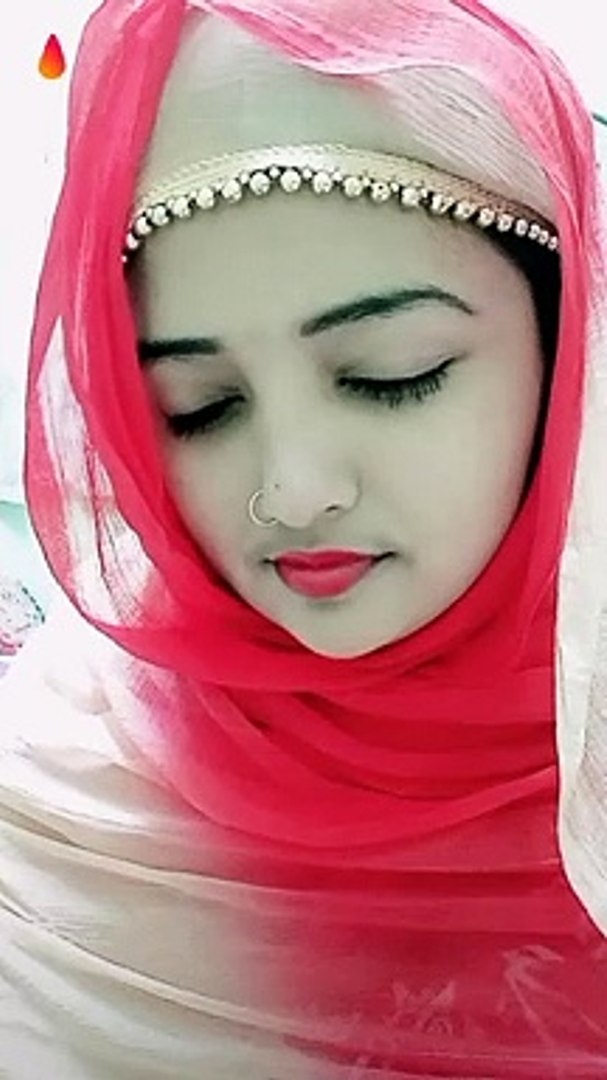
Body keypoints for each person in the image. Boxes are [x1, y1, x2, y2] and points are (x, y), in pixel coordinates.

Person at [1, 0, 607, 1075]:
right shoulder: (56, 792)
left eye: (391, 374)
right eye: (198, 406)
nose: (291, 492)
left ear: (566, 351)